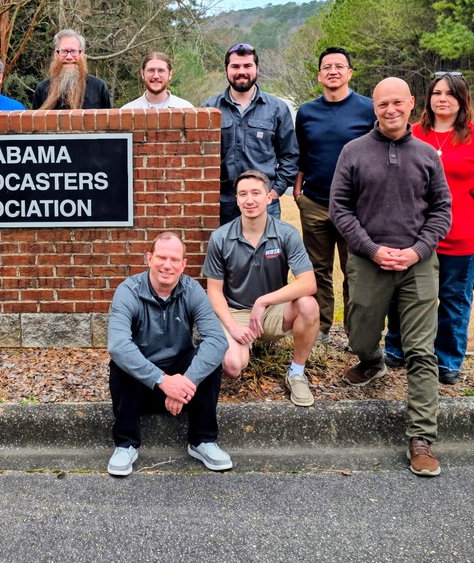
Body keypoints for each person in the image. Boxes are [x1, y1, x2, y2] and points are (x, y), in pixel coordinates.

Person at [329, 77, 452, 477]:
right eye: (383, 104)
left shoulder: (427, 154)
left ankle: (421, 439)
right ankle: (372, 360)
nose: (391, 110)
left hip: (418, 262)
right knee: (359, 335)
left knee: (421, 351)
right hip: (369, 260)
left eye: (398, 102)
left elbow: (442, 210)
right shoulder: (354, 151)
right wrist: (372, 249)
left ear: (412, 103)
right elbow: (339, 208)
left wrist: (417, 250)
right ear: (375, 107)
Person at [383, 73, 474, 385]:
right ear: (427, 98)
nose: (442, 99)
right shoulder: (412, 133)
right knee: (404, 294)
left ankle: (447, 359)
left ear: (462, 100)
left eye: (450, 94)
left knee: (454, 298)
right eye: (436, 93)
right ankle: (396, 348)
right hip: (414, 234)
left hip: (463, 234)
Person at [106, 233, 230, 476]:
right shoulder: (128, 290)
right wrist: (163, 381)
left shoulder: (192, 290)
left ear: (183, 264)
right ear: (149, 258)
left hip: (182, 378)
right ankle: (125, 444)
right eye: (161, 257)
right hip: (143, 382)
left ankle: (203, 441)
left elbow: (217, 340)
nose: (167, 265)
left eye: (174, 260)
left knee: (210, 358)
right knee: (120, 363)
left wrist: (185, 383)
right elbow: (118, 344)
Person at [203, 170, 319, 407]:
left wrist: (263, 301)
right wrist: (233, 327)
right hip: (236, 312)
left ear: (269, 198)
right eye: (243, 194)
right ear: (236, 199)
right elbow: (214, 291)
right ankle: (243, 343)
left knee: (308, 304)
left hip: (273, 311)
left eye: (256, 193)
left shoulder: (286, 233)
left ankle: (296, 372)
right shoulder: (220, 237)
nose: (249, 200)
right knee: (232, 367)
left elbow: (309, 282)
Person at [294, 47, 375, 344]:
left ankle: (356, 332)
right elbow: (301, 154)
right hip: (314, 201)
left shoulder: (368, 109)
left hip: (355, 205)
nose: (333, 71)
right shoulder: (306, 112)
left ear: (350, 73)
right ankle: (321, 327)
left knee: (355, 269)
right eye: (327, 67)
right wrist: (298, 189)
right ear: (319, 76)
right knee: (318, 269)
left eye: (339, 66)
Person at [202, 43, 298, 224]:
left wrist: (275, 191)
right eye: (235, 66)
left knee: (266, 244)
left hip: (265, 204)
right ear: (226, 70)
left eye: (247, 66)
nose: (241, 71)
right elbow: (200, 158)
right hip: (222, 205)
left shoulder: (277, 109)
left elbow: (290, 156)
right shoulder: (209, 109)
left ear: (257, 69)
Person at [31, 29, 113, 110]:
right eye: (64, 51)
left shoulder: (98, 88)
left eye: (74, 51)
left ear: (82, 54)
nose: (69, 57)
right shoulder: (42, 89)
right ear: (56, 54)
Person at [120, 52, 194, 109]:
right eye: (151, 70)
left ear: (170, 74)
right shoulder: (126, 111)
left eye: (161, 71)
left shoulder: (186, 109)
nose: (156, 76)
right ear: (142, 74)